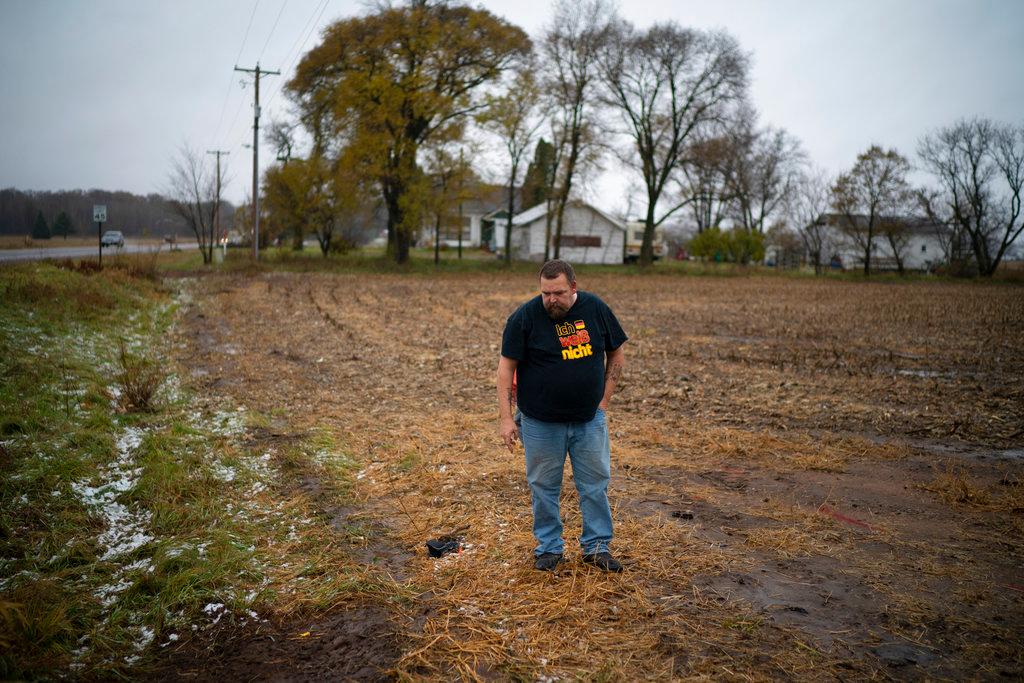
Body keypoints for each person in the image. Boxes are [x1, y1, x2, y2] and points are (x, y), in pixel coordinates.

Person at [497, 259, 627, 572]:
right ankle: (549, 549)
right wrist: (505, 418)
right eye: (545, 293)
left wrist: (605, 401)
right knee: (544, 487)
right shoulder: (526, 317)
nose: (551, 299)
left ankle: (597, 548)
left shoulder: (595, 309)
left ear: (573, 287)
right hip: (540, 422)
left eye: (558, 292)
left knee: (594, 486)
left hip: (588, 420)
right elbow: (505, 368)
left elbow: (616, 353)